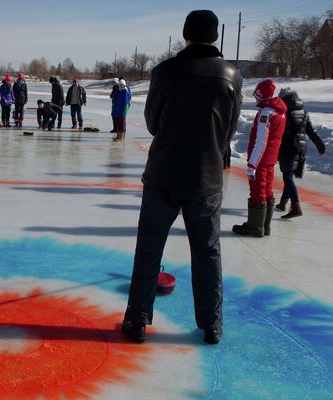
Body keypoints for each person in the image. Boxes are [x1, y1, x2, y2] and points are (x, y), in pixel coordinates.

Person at [122, 10, 242, 345]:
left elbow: (152, 123)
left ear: (186, 34)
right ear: (215, 36)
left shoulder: (165, 72)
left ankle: (136, 321)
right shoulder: (232, 75)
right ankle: (212, 325)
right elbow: (228, 130)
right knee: (207, 253)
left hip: (163, 175)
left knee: (149, 249)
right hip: (206, 179)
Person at [232, 79, 287, 237]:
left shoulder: (266, 113)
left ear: (261, 96)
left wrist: (252, 164)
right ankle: (265, 226)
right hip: (270, 159)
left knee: (257, 190)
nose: (255, 99)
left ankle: (255, 227)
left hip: (261, 160)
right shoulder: (280, 112)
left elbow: (261, 141)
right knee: (267, 190)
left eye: (256, 95)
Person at [275, 88, 326, 219]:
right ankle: (283, 202)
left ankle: (296, 206)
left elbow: (282, 133)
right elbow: (310, 131)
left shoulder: (285, 113)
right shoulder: (303, 112)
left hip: (289, 147)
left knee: (287, 176)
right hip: (300, 148)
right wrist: (319, 144)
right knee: (289, 174)